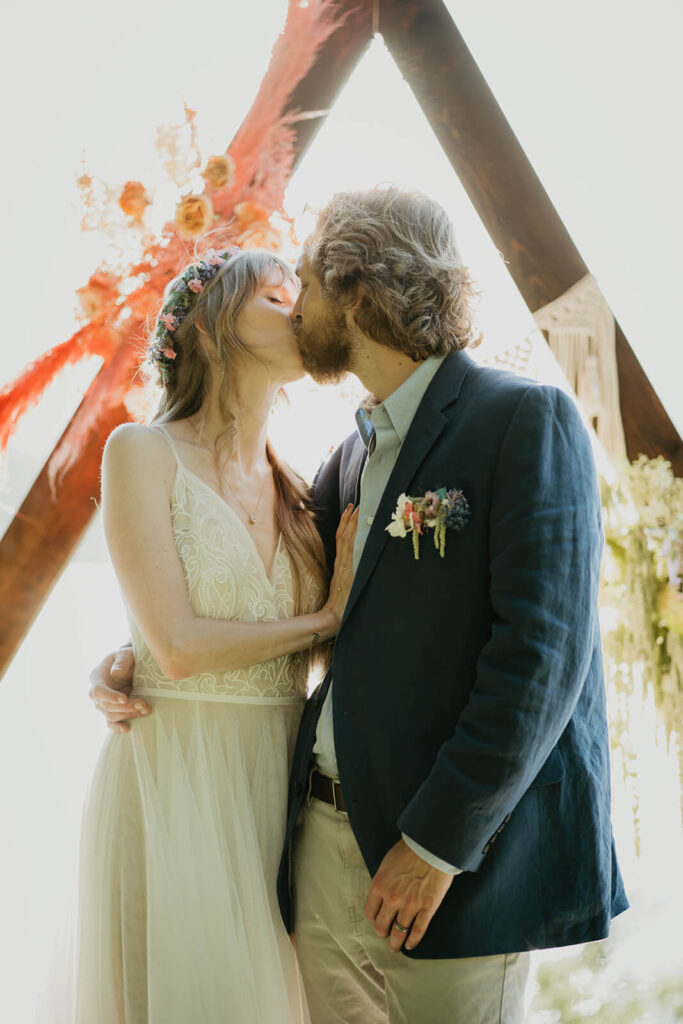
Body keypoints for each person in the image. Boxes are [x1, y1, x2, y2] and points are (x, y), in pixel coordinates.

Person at [92, 187, 628, 1024]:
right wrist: (135, 659)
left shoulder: (522, 419)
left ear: (358, 288)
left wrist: (436, 846)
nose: (293, 302)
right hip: (307, 854)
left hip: (444, 872)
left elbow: (544, 654)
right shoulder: (343, 461)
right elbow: (265, 606)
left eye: (299, 282)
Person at [76, 245, 358, 1024]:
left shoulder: (305, 490)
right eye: (277, 295)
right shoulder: (141, 450)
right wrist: (324, 618)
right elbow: (178, 647)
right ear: (210, 327)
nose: (301, 306)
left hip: (282, 785)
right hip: (176, 777)